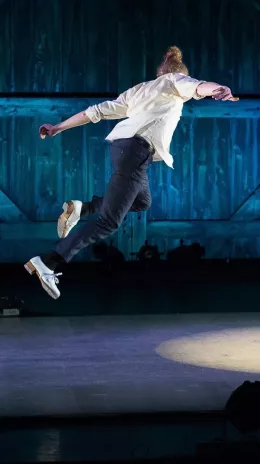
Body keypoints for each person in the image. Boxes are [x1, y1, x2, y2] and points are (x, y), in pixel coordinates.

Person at [25, 47, 239, 299]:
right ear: (177, 74)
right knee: (109, 222)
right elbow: (199, 86)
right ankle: (50, 262)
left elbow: (94, 112)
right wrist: (216, 88)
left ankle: (82, 208)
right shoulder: (174, 81)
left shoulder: (136, 91)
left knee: (141, 202)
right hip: (136, 152)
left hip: (126, 150)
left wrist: (57, 127)